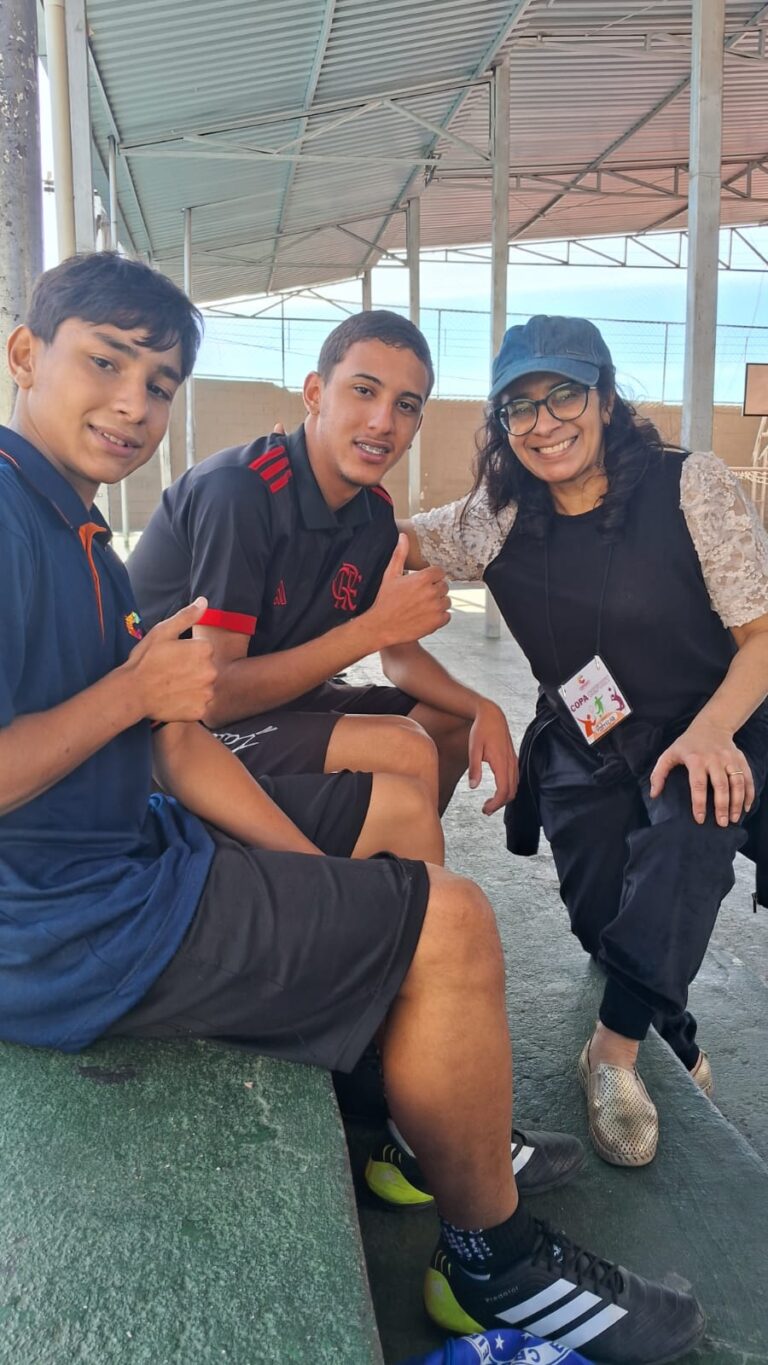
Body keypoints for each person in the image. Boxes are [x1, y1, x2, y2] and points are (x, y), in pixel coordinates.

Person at [0, 258, 704, 1365]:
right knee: (450, 913)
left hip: (133, 857)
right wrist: (134, 695)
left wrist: (450, 726)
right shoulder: (96, 508)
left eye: (161, 383)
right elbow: (191, 701)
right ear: (25, 354)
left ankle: (422, 1116)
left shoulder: (76, 526)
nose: (134, 404)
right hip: (63, 926)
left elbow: (174, 736)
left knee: (420, 806)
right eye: (106, 364)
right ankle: (489, 1259)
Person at [405, 314, 768, 1168]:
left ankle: (613, 1051)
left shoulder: (690, 486)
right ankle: (669, 1025)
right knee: (599, 913)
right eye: (520, 406)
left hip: (708, 719)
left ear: (605, 399)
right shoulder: (494, 519)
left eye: (564, 394)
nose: (545, 423)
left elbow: (760, 636)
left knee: (689, 831)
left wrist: (713, 730)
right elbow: (389, 543)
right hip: (588, 727)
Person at [127, 311, 517, 816]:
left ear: (417, 425)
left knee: (450, 724)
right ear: (314, 393)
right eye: (363, 391)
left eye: (405, 405)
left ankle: (400, 856)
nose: (382, 422)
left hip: (271, 705)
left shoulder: (374, 516)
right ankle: (385, 867)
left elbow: (399, 655)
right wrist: (370, 630)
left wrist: (483, 706)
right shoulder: (241, 492)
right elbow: (217, 697)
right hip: (169, 732)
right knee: (402, 745)